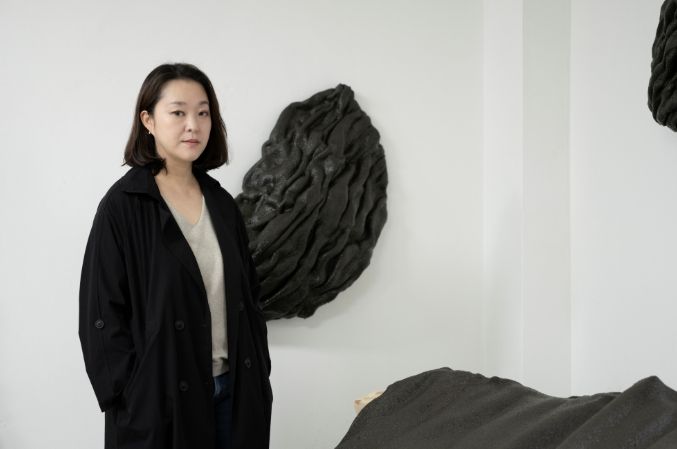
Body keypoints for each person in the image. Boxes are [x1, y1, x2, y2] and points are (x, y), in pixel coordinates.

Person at [78, 63, 272, 449]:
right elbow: (101, 314)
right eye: (178, 112)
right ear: (148, 121)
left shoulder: (222, 204)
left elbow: (249, 297)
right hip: (161, 403)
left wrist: (260, 373)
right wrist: (130, 396)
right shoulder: (123, 206)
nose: (193, 125)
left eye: (203, 113)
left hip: (235, 393)